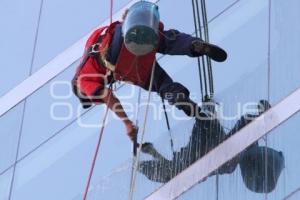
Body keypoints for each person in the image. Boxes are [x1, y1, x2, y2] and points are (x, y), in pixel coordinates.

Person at [72, 2, 227, 141]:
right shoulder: (91, 42)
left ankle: (177, 97)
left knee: (159, 84)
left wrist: (127, 123)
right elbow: (114, 29)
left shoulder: (81, 81)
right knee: (167, 40)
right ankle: (194, 45)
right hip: (127, 33)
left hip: (119, 59)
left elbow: (107, 96)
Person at [138, 100, 285, 193]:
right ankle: (262, 121)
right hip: (208, 145)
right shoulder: (182, 172)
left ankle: (210, 113)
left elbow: (167, 168)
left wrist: (152, 152)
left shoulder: (181, 171)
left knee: (217, 131)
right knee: (219, 133)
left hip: (208, 145)